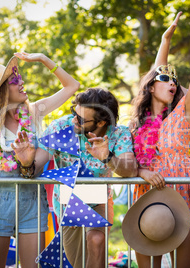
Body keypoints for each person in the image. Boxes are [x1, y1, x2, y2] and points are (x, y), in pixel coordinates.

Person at [0, 52, 80, 268]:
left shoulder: (35, 111)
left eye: (19, 77)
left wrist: (43, 59)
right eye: (14, 80)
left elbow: (72, 86)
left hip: (32, 203)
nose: (21, 83)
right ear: (2, 92)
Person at [129, 2, 190, 267]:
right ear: (150, 87)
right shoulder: (139, 124)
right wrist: (165, 39)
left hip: (183, 191)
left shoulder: (184, 112)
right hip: (148, 193)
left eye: (176, 81)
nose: (173, 83)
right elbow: (128, 164)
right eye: (166, 80)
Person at [12, 87, 138, 268]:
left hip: (99, 202)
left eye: (80, 119)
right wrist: (26, 163)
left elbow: (131, 170)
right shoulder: (61, 127)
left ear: (102, 123)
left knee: (96, 239)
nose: (73, 120)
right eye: (74, 112)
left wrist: (107, 157)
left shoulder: (119, 134)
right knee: (77, 263)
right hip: (67, 204)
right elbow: (34, 169)